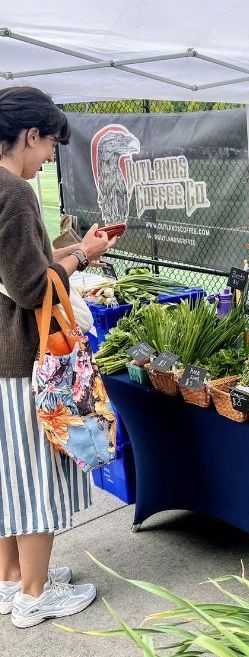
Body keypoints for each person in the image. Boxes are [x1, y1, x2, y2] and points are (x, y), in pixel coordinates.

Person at [0, 86, 116, 628]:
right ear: (29, 136)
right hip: (22, 356)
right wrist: (78, 264)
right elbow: (30, 287)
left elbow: (28, 265)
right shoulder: (14, 194)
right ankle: (35, 594)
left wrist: (79, 251)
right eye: (49, 146)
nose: (49, 157)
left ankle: (9, 582)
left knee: (9, 477)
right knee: (34, 476)